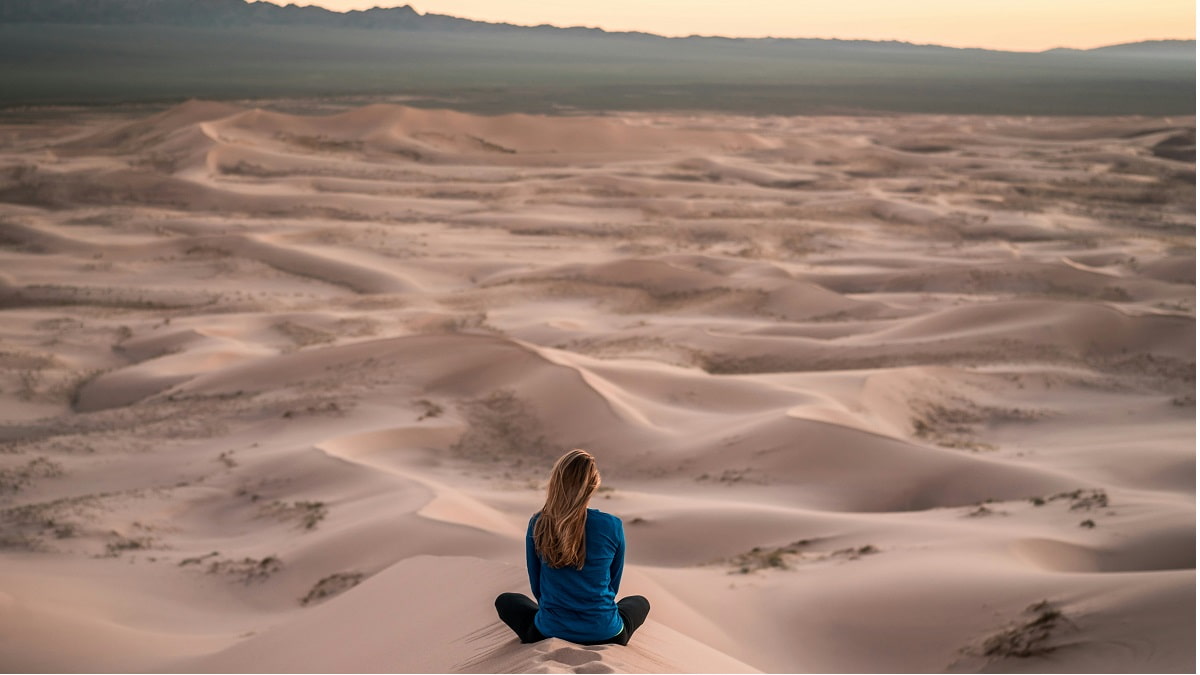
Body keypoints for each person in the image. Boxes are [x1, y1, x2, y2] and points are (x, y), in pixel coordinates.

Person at [495, 449, 650, 646]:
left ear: (555, 483)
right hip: (606, 632)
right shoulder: (612, 525)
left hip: (549, 630)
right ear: (593, 486)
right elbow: (613, 585)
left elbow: (537, 587)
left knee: (507, 601)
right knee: (639, 602)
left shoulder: (539, 523)